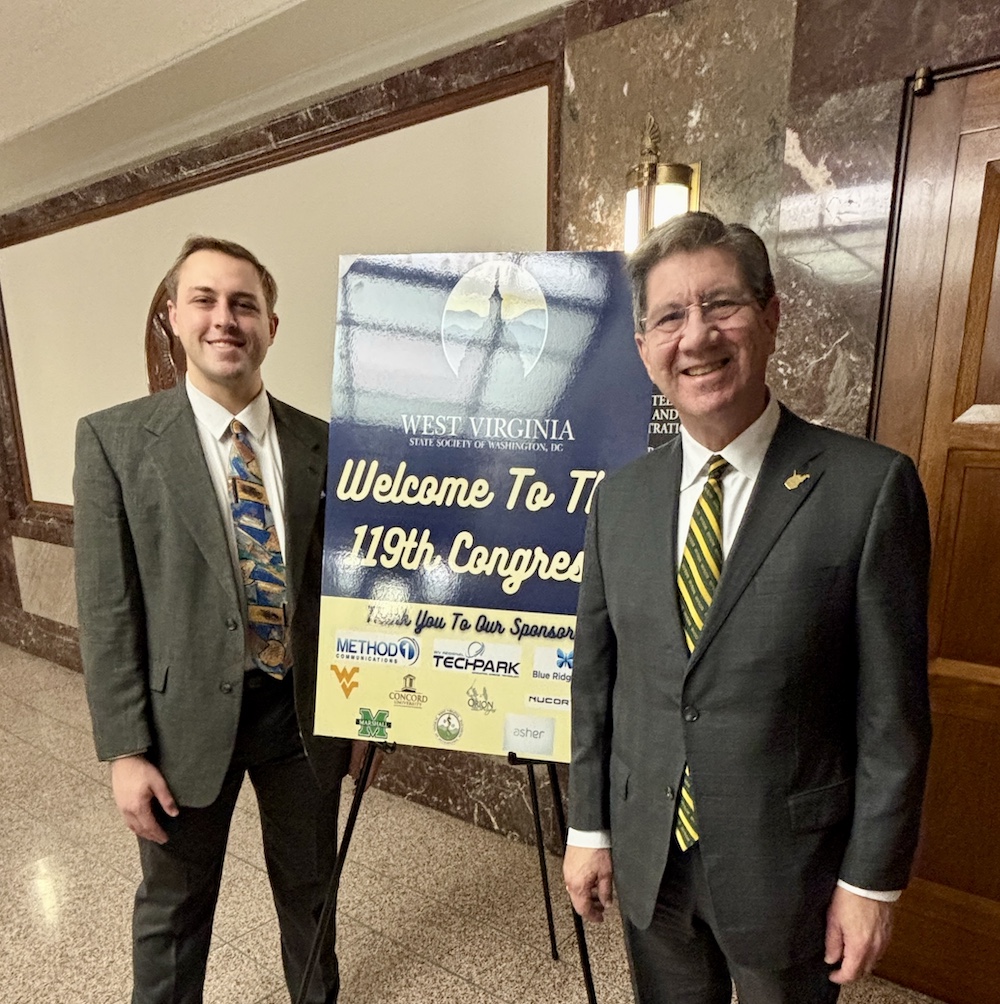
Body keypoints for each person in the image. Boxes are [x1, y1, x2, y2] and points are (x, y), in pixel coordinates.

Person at [563, 212, 931, 1004]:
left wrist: (872, 882)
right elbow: (595, 682)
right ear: (644, 350)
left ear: (769, 316)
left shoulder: (869, 490)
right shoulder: (616, 502)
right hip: (650, 856)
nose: (696, 336)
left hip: (788, 868)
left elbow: (891, 715)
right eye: (669, 316)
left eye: (721, 304)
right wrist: (588, 829)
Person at [74, 236, 354, 1004]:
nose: (224, 318)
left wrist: (366, 703)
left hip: (301, 718)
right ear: (173, 317)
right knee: (174, 907)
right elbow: (106, 606)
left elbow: (345, 586)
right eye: (204, 300)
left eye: (243, 303)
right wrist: (124, 750)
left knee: (311, 892)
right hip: (180, 722)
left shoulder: (323, 444)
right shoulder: (115, 441)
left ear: (271, 323)